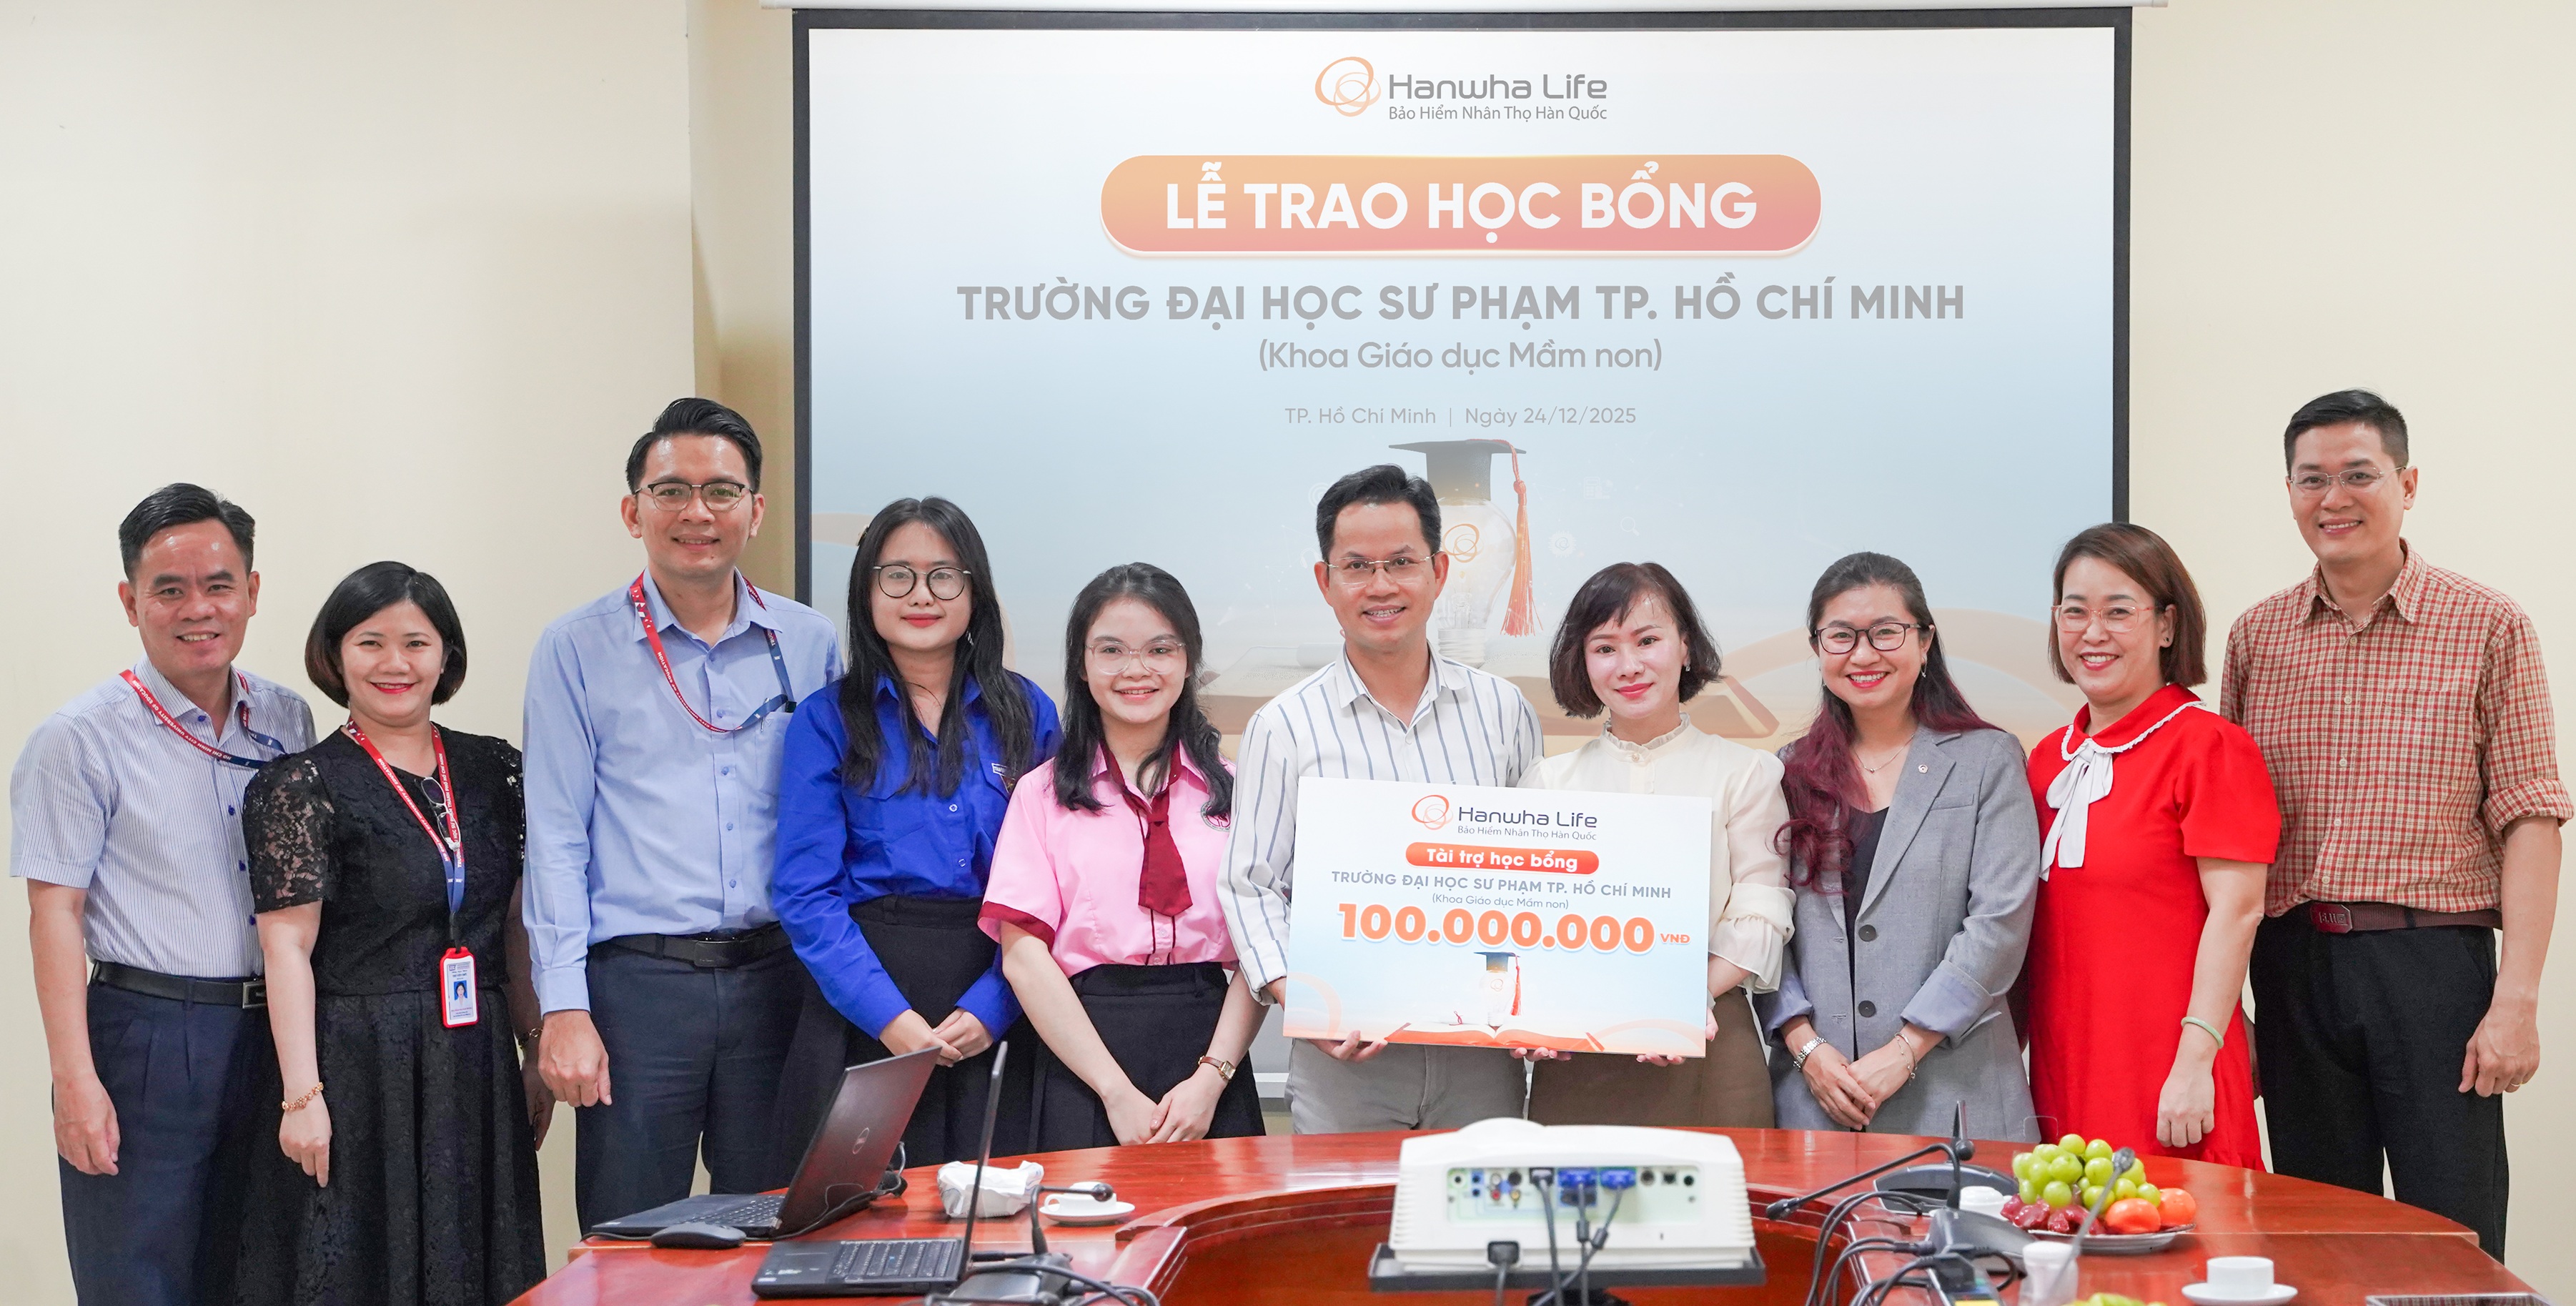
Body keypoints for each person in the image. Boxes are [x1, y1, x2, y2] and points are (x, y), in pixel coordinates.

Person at [2224, 390, 2567, 1256]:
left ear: (2407, 484)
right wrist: (2229, 1015)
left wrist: (2516, 1000)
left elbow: (2531, 815)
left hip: (2432, 969)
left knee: (2449, 1240)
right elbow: (2226, 842)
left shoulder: (2487, 625)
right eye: (2310, 479)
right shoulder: (2256, 637)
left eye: (2358, 475)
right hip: (2293, 967)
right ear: (2289, 492)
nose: (2332, 498)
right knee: (2316, 1237)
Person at [521, 398, 841, 1232]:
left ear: (755, 511)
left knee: (774, 1230)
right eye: (671, 491)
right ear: (633, 512)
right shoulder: (575, 647)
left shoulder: (809, 643)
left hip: (777, 982)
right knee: (630, 1239)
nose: (697, 511)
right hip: (637, 992)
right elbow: (554, 835)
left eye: (721, 491)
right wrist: (563, 1006)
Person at [12, 485, 315, 1306]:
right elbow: (54, 914)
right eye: (169, 590)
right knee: (138, 1280)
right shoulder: (79, 739)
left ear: (252, 590)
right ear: (130, 601)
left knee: (260, 1274)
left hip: (275, 1038)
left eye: (219, 585)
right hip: (146, 1038)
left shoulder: (288, 720)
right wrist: (74, 1082)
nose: (198, 609)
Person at [233, 563, 548, 1305]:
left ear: (446, 656)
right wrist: (301, 1095)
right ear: (335, 654)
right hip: (358, 1064)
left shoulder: (495, 769)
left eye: (416, 642)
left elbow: (514, 920)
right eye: (370, 642)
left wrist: (534, 1047)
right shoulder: (299, 784)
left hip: (475, 1057)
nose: (395, 663)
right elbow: (286, 947)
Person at [1218, 464, 1545, 1133]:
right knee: (1348, 1207)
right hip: (1346, 1064)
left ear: (1439, 571)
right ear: (1325, 581)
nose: (1381, 585)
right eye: (1357, 566)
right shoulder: (1284, 726)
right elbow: (1250, 886)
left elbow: (1534, 874)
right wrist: (1302, 998)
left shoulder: (1504, 710)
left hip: (1481, 1055)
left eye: (1401, 562)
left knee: (1478, 1204)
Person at [771, 497, 1059, 1164]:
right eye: (897, 574)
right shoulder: (826, 720)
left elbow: (1057, 885)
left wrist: (995, 1005)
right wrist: (891, 1020)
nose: (921, 594)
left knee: (998, 1214)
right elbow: (805, 893)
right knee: (862, 1216)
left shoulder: (1029, 712)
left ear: (975, 592)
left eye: (944, 575)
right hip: (865, 1007)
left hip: (1001, 997)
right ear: (866, 590)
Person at [1755, 552, 2042, 1139]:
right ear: (1818, 648)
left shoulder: (1988, 760)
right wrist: (1805, 1046)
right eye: (1841, 636)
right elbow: (1764, 924)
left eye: (1886, 632)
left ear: (1925, 640)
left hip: (1956, 1099)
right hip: (1816, 1102)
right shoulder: (1790, 769)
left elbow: (1999, 924)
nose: (1863, 655)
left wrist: (1905, 1050)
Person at [981, 563, 1264, 1150]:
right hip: (1085, 1058)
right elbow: (1025, 957)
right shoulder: (1041, 794)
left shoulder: (1240, 792)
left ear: (1188, 661)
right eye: (1111, 650)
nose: (1137, 669)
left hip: (1210, 1056)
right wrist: (1114, 1090)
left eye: (1160, 649)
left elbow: (1263, 947)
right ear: (1082, 665)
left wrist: (1212, 1078)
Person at [2023, 525, 2276, 1168]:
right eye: (2074, 611)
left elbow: (2238, 911)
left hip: (2170, 1073)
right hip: (2066, 1067)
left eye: (2118, 612)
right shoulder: (2048, 759)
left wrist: (2195, 1062)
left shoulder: (2209, 746)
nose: (2093, 632)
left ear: (2166, 625)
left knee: (2180, 1228)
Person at [1515, 563, 1793, 1127]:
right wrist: (1531, 1008)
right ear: (1582, 661)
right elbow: (1523, 922)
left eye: (1647, 640)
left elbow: (1762, 911)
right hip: (1579, 1052)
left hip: (1708, 1035)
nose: (1629, 665)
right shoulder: (1549, 782)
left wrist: (1684, 997)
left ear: (1685, 646)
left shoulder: (1746, 773)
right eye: (1605, 648)